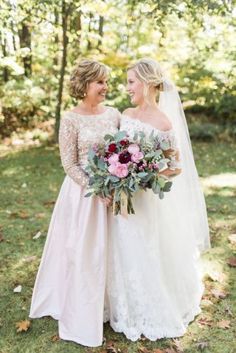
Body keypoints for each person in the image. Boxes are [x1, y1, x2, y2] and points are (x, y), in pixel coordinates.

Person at [105, 58, 211, 341]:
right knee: (121, 246)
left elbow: (175, 167)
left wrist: (145, 177)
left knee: (143, 248)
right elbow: (115, 151)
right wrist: (118, 173)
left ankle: (148, 307)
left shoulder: (164, 122)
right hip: (121, 196)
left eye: (131, 82)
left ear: (148, 83)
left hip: (145, 199)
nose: (127, 87)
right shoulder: (125, 113)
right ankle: (121, 304)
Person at [29, 59, 120, 347]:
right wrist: (97, 187)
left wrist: (116, 185)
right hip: (83, 195)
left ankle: (112, 306)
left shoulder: (115, 114)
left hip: (114, 192)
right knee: (82, 251)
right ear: (84, 85)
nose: (106, 87)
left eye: (106, 81)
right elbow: (69, 164)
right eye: (100, 82)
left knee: (115, 249)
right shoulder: (70, 118)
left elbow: (124, 153)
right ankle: (79, 304)